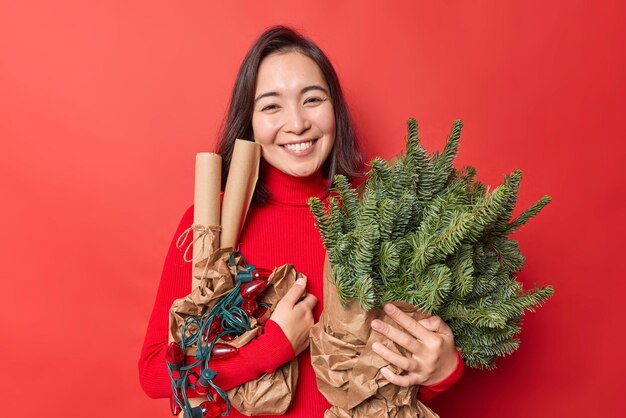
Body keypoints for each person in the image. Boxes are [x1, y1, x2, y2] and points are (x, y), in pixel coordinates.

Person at [139, 25, 464, 417]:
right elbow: (156, 373)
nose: (297, 123)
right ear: (250, 121)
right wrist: (270, 347)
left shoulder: (380, 217)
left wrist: (443, 370)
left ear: (335, 109)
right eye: (272, 106)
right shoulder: (214, 223)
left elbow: (386, 388)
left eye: (312, 99)